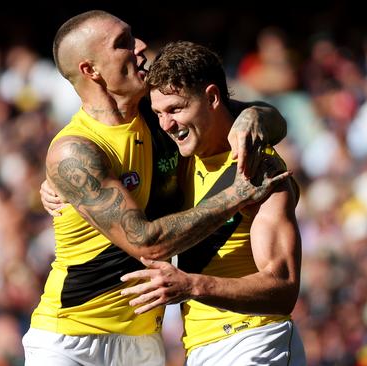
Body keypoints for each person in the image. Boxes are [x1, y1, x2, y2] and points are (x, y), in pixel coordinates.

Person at [25, 10, 289, 366]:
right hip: (71, 338)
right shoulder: (76, 151)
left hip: (143, 343)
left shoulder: (161, 117)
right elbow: (147, 243)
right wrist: (237, 195)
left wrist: (252, 116)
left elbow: (267, 119)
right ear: (91, 70)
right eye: (123, 43)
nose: (141, 46)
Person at [120, 41, 306, 365]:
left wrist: (192, 285)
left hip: (258, 341)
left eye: (176, 109)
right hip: (202, 348)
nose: (166, 125)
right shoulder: (179, 158)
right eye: (158, 113)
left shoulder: (259, 169)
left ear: (212, 98)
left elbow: (283, 287)